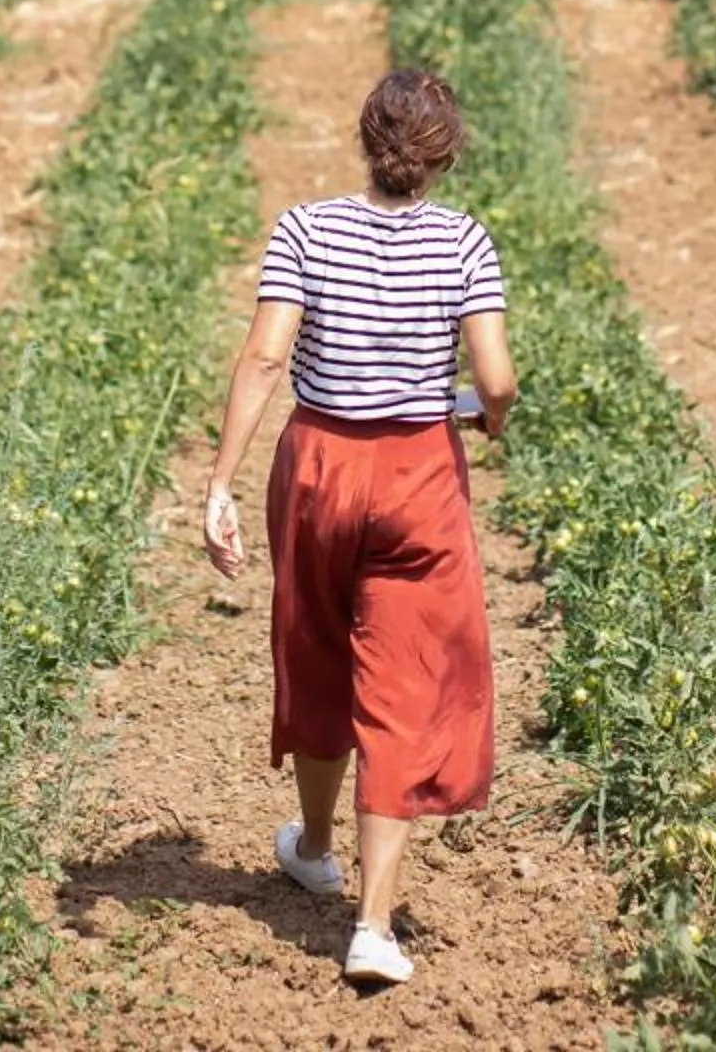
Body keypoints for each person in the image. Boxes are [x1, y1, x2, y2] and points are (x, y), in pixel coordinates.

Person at [201, 69, 517, 989]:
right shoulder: (466, 242)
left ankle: (312, 844)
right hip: (417, 473)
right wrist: (488, 417)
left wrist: (218, 484)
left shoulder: (306, 227)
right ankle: (372, 926)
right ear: (444, 154)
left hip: (319, 468)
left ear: (366, 140)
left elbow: (267, 353)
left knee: (316, 647)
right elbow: (494, 378)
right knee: (406, 682)